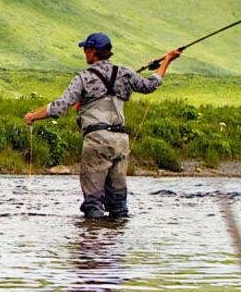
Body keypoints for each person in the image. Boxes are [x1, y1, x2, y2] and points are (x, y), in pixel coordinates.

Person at [23, 33, 181, 219]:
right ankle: (115, 244)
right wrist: (168, 60)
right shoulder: (125, 73)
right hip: (121, 142)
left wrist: (32, 116)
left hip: (97, 140)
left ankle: (93, 241)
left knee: (93, 201)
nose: (84, 54)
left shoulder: (83, 78)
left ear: (92, 52)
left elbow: (59, 107)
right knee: (118, 203)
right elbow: (151, 85)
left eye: (85, 50)